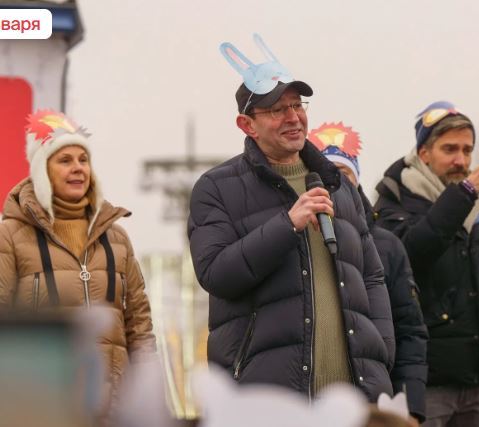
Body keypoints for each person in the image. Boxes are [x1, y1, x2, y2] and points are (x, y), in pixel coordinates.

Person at [188, 36, 395, 401]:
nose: (293, 117)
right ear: (247, 125)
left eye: (297, 105)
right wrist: (287, 225)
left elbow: (372, 276)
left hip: (352, 396)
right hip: (267, 395)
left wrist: (380, 352)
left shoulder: (337, 186)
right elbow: (216, 274)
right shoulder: (217, 188)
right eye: (276, 110)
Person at [373, 101, 479, 426]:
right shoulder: (394, 203)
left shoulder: (474, 210)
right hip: (427, 382)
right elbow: (412, 255)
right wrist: (466, 193)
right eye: (450, 149)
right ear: (424, 153)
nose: (461, 160)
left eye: (467, 150)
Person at [0, 110, 156, 424]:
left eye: (83, 160)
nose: (78, 168)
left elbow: (140, 326)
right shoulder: (11, 235)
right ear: (42, 170)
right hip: (42, 404)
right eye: (65, 160)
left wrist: (149, 391)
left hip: (112, 408)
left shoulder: (116, 237)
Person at [310, 123, 428, 426]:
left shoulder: (386, 245)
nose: (334, 183)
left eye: (342, 173)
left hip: (370, 400)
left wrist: (411, 405)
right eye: (323, 173)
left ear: (356, 178)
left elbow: (409, 329)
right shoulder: (292, 235)